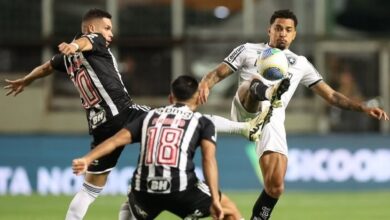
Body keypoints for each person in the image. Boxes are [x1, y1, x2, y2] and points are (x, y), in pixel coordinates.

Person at [4, 8, 264, 220]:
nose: (111, 34)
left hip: (100, 128)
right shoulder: (93, 41)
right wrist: (75, 45)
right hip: (123, 113)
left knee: (90, 189)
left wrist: (25, 81)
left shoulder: (67, 59)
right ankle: (244, 129)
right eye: (107, 28)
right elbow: (85, 42)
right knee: (181, 116)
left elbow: (45, 67)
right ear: (93, 28)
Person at [198, 9, 389, 220]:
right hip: (246, 108)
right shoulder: (248, 50)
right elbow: (217, 73)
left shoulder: (300, 63)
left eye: (288, 30)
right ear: (269, 30)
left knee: (275, 187)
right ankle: (269, 92)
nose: (282, 33)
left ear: (294, 34)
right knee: (252, 82)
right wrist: (204, 85)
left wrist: (361, 107)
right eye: (278, 28)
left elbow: (332, 96)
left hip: (272, 120)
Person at [72, 75, 243, 220]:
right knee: (230, 211)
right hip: (181, 190)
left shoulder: (149, 116)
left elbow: (115, 141)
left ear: (170, 98)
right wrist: (214, 198)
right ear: (198, 98)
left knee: (129, 205)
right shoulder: (202, 122)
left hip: (145, 191)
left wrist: (87, 159)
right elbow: (208, 160)